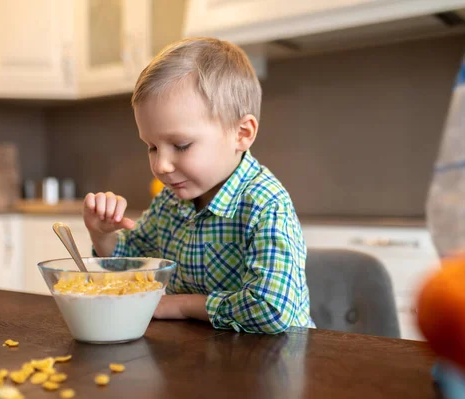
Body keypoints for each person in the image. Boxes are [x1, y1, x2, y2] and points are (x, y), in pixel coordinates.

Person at [83, 37, 313, 333]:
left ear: (242, 133)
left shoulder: (266, 205)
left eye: (181, 145)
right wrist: (102, 236)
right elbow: (131, 267)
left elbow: (272, 309)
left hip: (273, 364)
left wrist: (181, 305)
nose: (161, 166)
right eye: (152, 147)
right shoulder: (171, 201)